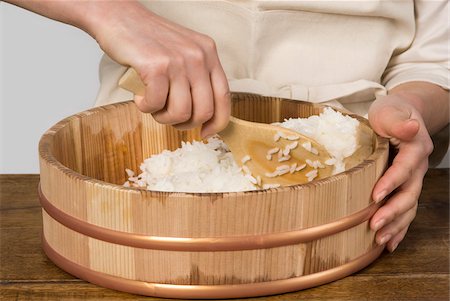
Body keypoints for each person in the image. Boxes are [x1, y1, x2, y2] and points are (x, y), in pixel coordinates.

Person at [6, 0, 449, 253]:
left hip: (354, 191)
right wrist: (109, 13)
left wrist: (410, 110)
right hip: (142, 167)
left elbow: (435, 55)